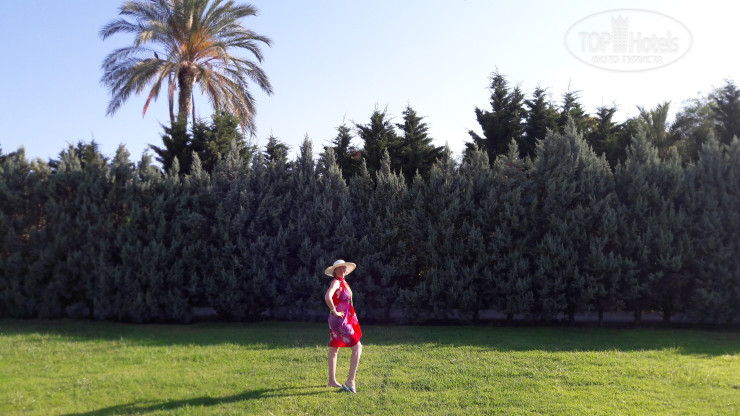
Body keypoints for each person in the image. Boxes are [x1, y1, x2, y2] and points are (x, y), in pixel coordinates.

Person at [324, 259, 363, 393]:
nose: (342, 270)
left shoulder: (343, 282)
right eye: (339, 268)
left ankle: (332, 381)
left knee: (334, 349)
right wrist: (334, 311)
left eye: (343, 268)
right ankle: (350, 381)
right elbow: (327, 296)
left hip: (338, 319)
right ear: (334, 271)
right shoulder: (336, 282)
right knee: (357, 347)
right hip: (340, 320)